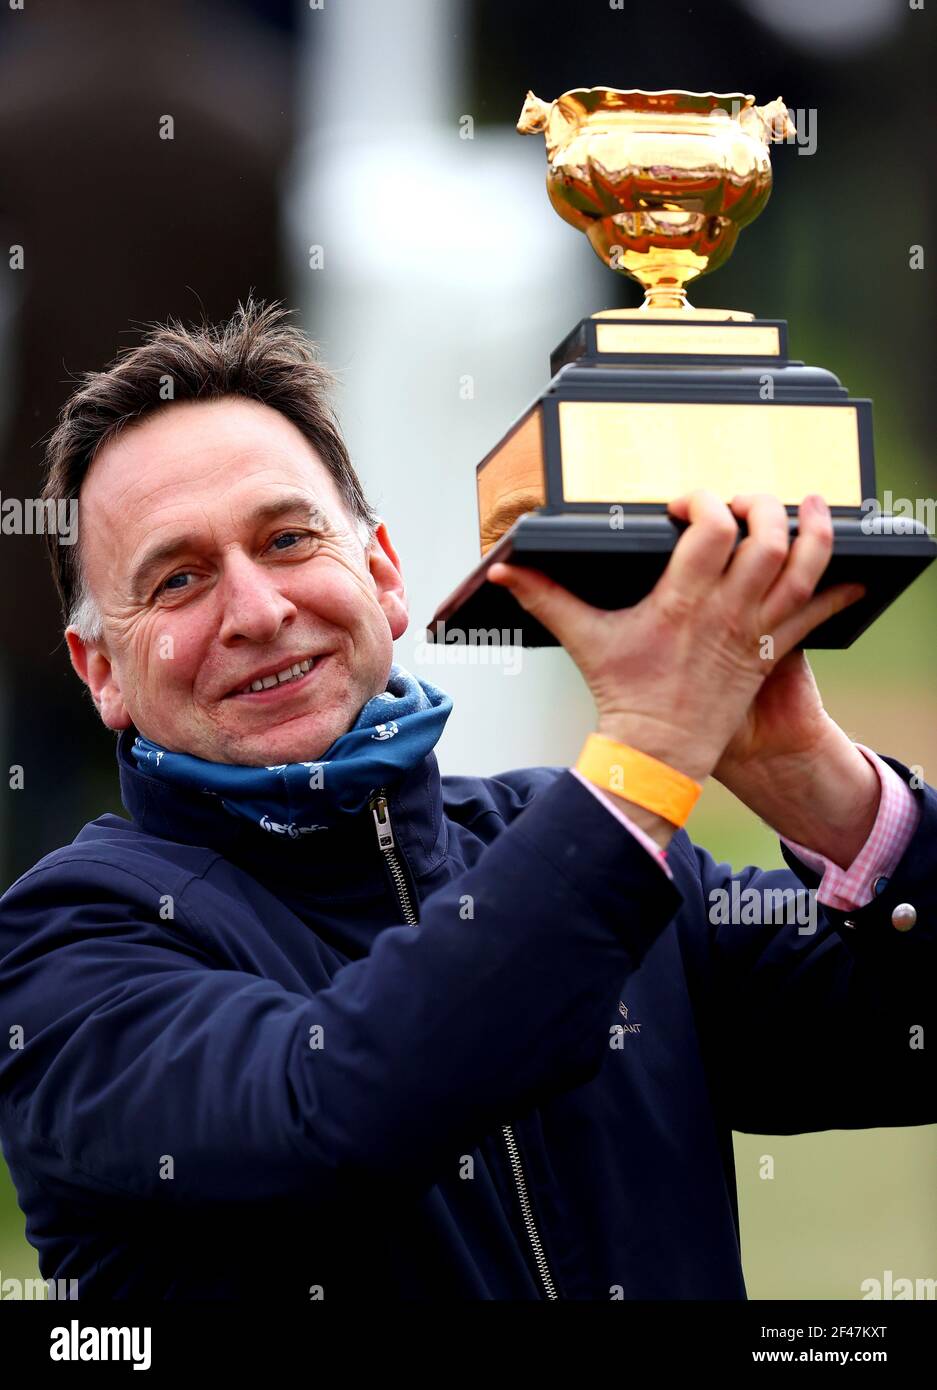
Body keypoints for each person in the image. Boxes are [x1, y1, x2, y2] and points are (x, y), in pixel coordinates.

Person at [0, 299, 932, 1301]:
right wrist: (646, 757)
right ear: (100, 670)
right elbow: (336, 1110)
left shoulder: (564, 839)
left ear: (384, 572)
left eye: (286, 541)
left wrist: (817, 783)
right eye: (179, 578)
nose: (260, 611)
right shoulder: (65, 945)